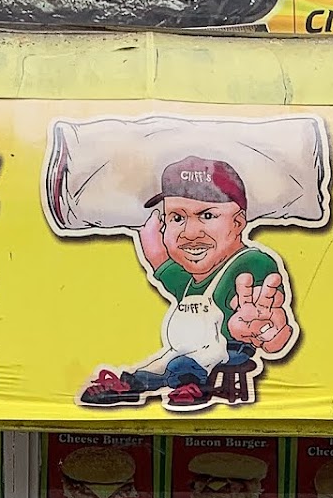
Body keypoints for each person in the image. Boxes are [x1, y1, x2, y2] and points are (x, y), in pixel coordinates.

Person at [77, 157, 296, 414]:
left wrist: (265, 330)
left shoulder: (250, 262)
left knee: (180, 365)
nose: (190, 233)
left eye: (207, 215)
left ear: (237, 223)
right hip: (184, 351)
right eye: (177, 218)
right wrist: (149, 234)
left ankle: (192, 388)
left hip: (228, 350)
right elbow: (161, 264)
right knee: (157, 366)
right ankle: (129, 385)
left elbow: (268, 317)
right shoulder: (189, 280)